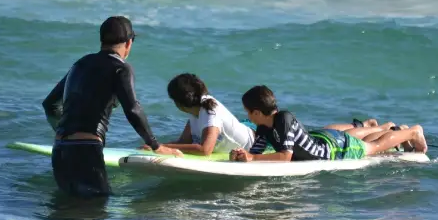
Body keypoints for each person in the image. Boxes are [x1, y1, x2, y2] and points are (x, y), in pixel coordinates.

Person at [42, 16, 182, 197]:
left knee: (66, 212)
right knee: (95, 207)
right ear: (129, 43)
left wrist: (66, 133)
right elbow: (133, 110)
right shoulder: (121, 68)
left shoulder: (80, 64)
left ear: (102, 40)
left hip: (60, 148)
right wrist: (156, 145)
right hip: (86, 149)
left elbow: (50, 104)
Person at [156, 73, 401, 157]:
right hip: (250, 129)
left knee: (321, 136)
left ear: (180, 102)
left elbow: (206, 149)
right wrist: (161, 147)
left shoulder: (209, 112)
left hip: (260, 143)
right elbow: (184, 142)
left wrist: (159, 146)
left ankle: (379, 130)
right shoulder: (197, 109)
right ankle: (367, 125)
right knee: (319, 134)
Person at [230, 85, 427, 163]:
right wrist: (242, 154)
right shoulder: (265, 126)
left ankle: (413, 132)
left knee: (374, 147)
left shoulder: (284, 119)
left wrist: (252, 159)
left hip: (334, 150)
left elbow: (285, 156)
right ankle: (394, 129)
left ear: (256, 112)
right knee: (363, 140)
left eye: (248, 112)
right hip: (323, 140)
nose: (247, 115)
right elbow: (256, 151)